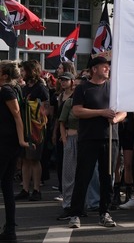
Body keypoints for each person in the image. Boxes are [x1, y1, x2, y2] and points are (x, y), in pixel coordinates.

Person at [68, 56, 126, 229]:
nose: (107, 69)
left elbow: (124, 111)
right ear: (94, 69)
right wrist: (101, 112)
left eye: (108, 67)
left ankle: (105, 212)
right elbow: (77, 111)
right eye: (104, 67)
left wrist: (116, 119)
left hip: (110, 138)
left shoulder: (114, 88)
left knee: (107, 177)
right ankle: (75, 214)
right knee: (83, 176)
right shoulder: (83, 88)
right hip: (88, 138)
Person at [0, 60, 30, 242]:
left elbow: (17, 115)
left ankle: (10, 230)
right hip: (10, 143)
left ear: (5, 75)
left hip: (7, 143)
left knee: (7, 185)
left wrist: (21, 139)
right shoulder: (12, 89)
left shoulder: (7, 90)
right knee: (7, 186)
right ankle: (10, 230)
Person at [15, 60, 49, 202]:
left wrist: (36, 110)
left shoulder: (40, 87)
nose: (21, 73)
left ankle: (36, 189)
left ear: (31, 71)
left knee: (34, 159)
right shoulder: (23, 88)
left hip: (35, 129)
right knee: (25, 159)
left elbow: (47, 108)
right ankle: (25, 189)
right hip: (24, 127)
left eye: (23, 71)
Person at [55, 72, 79, 221]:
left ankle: (81, 204)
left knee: (83, 175)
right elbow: (61, 121)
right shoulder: (69, 102)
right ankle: (68, 205)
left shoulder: (90, 102)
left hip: (86, 141)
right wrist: (64, 139)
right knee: (68, 174)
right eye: (76, 86)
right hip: (71, 139)